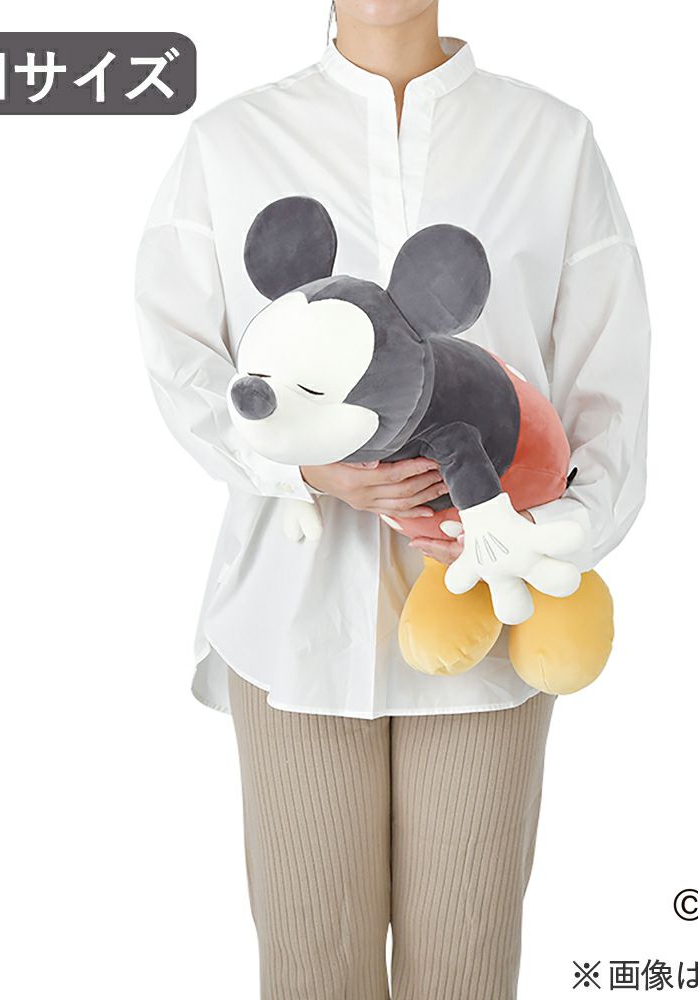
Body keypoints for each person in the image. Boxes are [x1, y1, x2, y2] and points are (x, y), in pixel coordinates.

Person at [134, 1, 650, 996]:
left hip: (489, 605)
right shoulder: (232, 142)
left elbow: (608, 376)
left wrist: (551, 532)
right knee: (310, 967)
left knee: (466, 964)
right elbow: (178, 354)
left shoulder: (550, 142)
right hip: (292, 613)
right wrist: (298, 466)